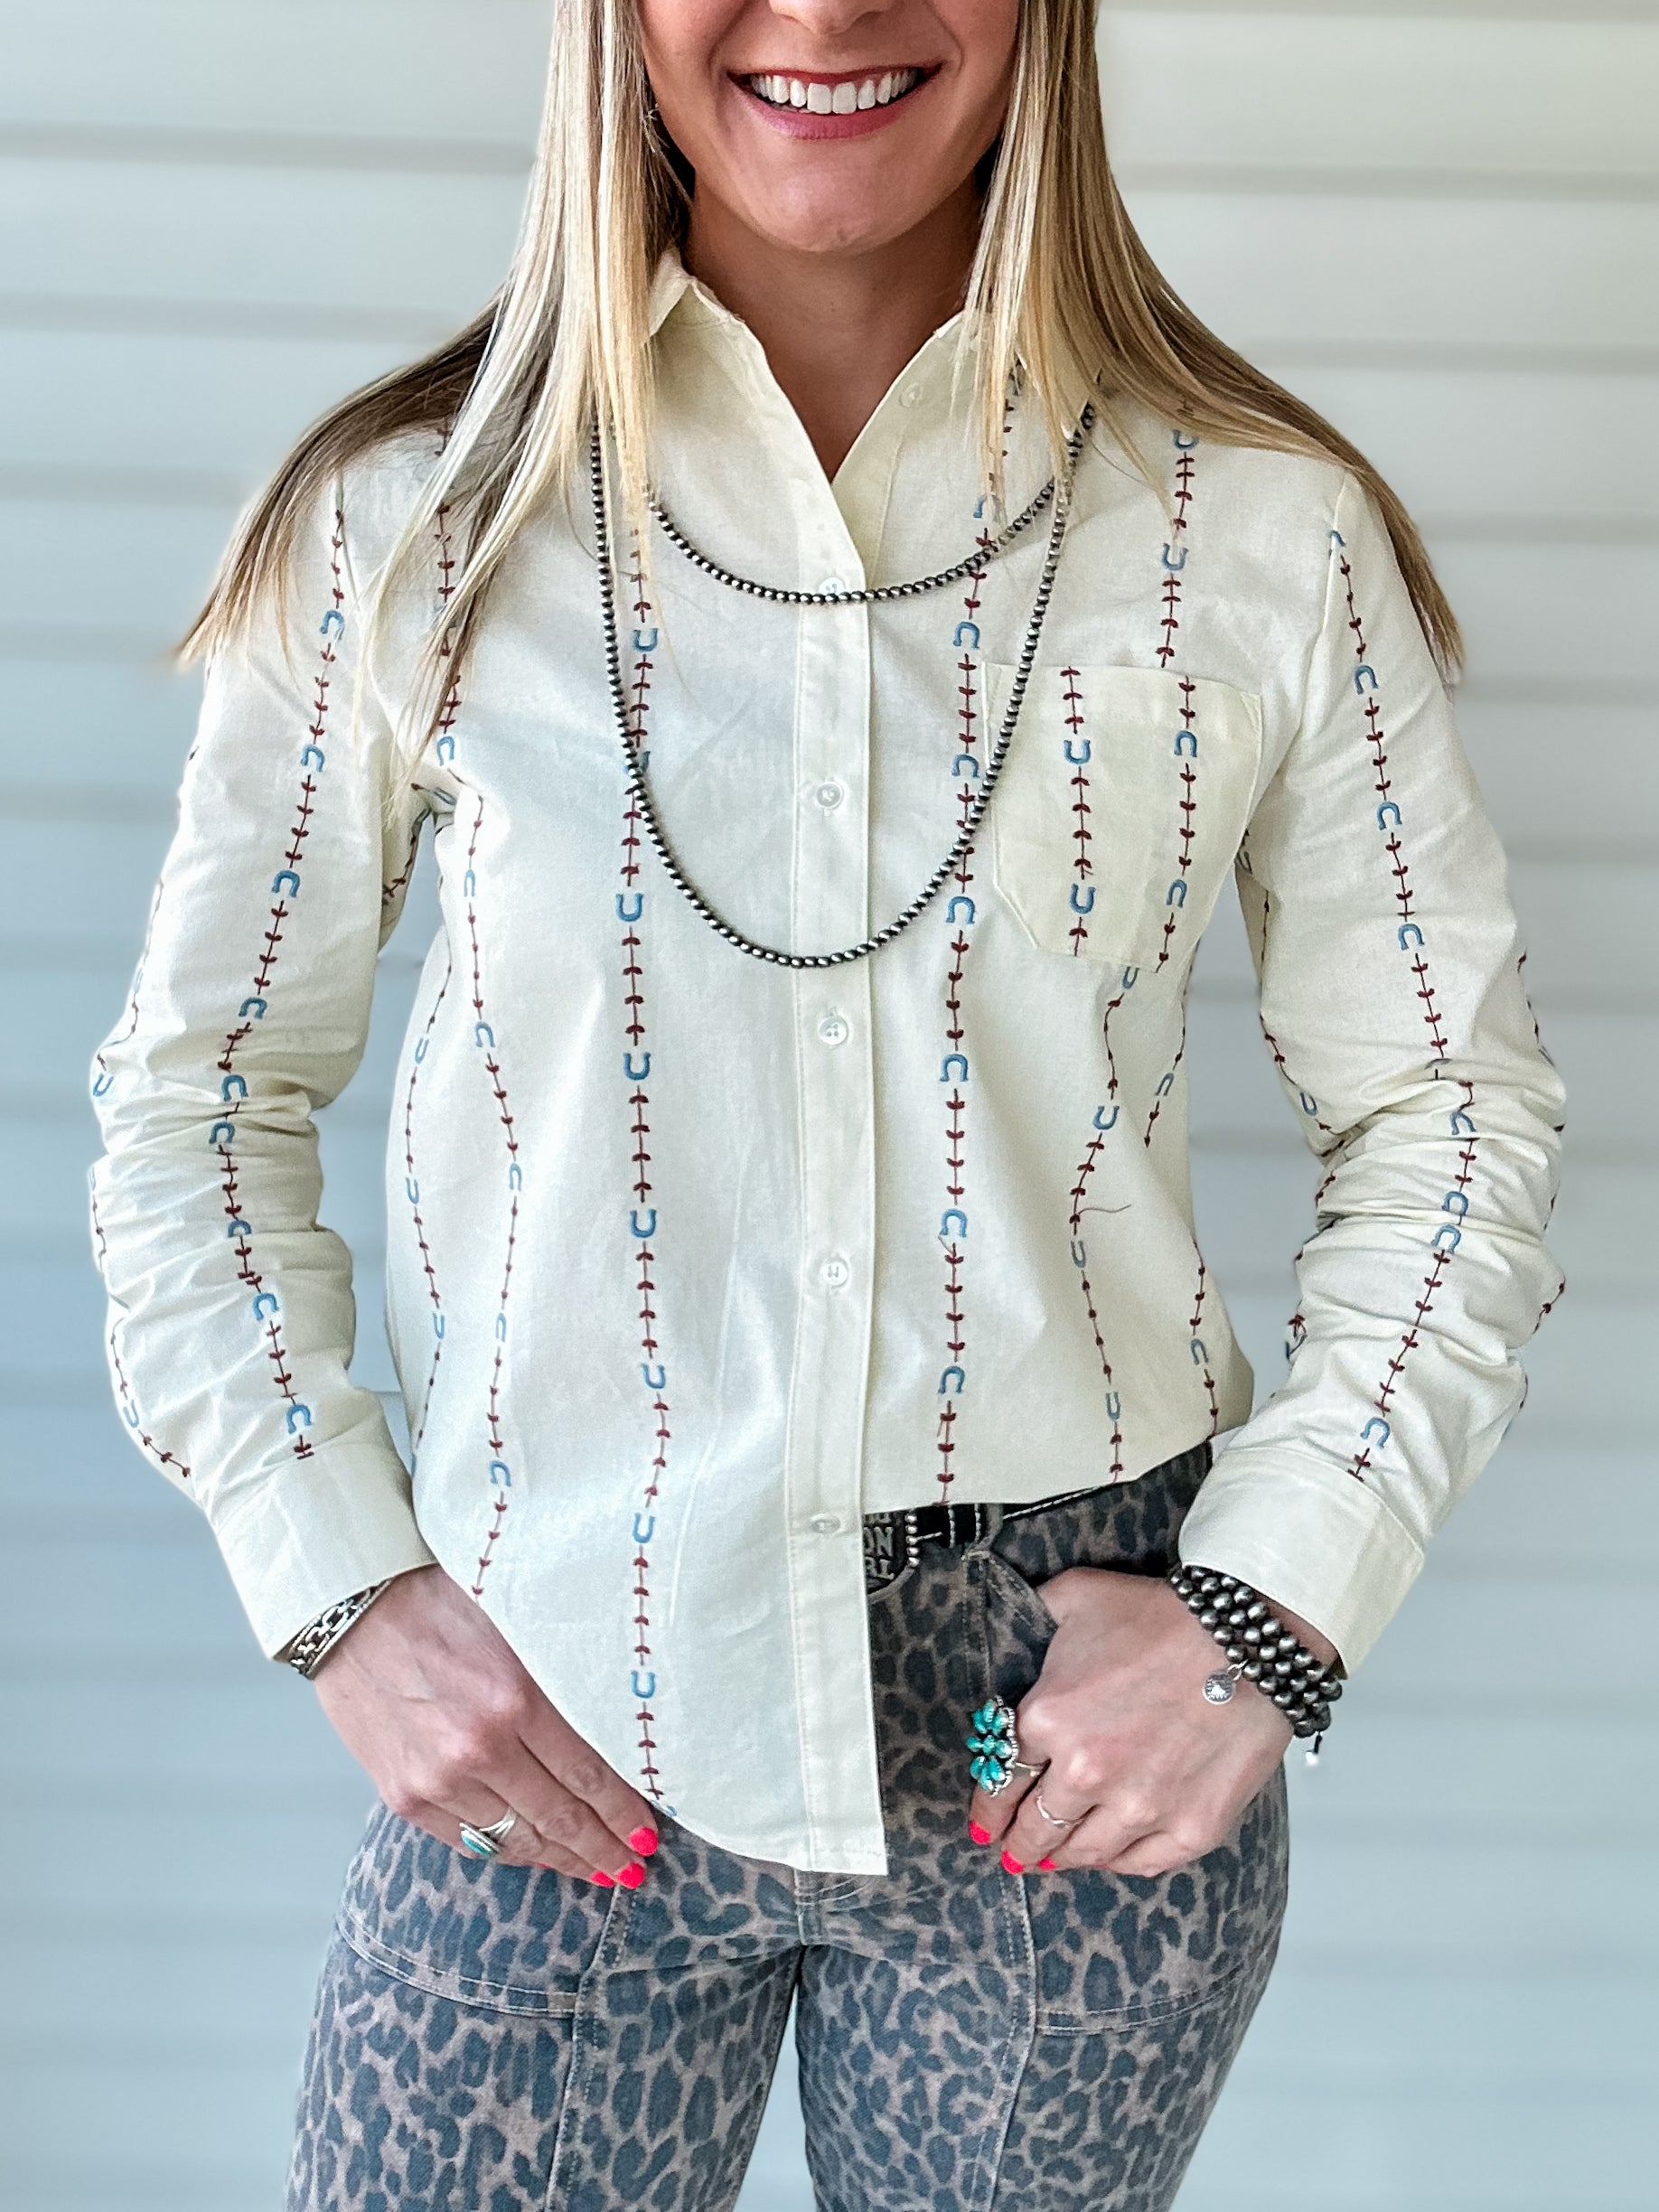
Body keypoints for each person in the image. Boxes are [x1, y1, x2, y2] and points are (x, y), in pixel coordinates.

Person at [89, 3, 1565, 2206]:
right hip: (562, 1712)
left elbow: (1452, 1114)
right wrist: (340, 1589)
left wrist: (1270, 1612)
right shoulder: (403, 528)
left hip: (1056, 1745)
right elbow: (202, 1103)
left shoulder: (1262, 533)